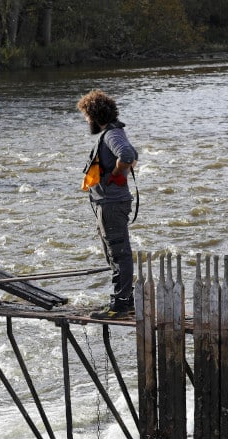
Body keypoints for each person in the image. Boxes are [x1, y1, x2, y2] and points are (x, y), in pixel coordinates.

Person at [77, 89, 138, 320]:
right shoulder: (115, 132)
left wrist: (116, 174)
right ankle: (124, 301)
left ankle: (121, 305)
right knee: (114, 253)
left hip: (112, 204)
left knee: (119, 253)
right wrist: (119, 172)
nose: (85, 120)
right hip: (109, 202)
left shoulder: (112, 135)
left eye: (86, 115)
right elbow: (132, 154)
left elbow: (128, 155)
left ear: (94, 115)